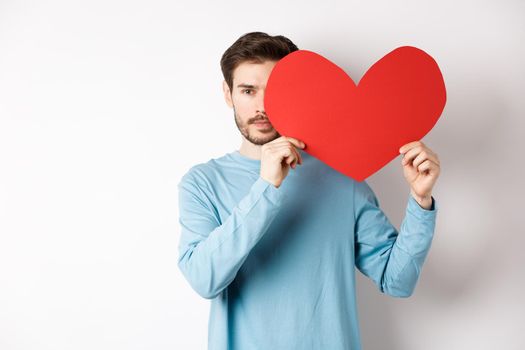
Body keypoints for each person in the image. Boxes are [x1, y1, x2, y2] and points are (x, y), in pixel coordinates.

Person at [177, 31, 440, 350]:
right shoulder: (202, 183)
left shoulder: (343, 179)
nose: (261, 106)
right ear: (228, 94)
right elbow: (205, 279)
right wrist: (267, 187)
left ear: (296, 93)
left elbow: (397, 281)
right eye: (248, 90)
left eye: (273, 91)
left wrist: (420, 201)